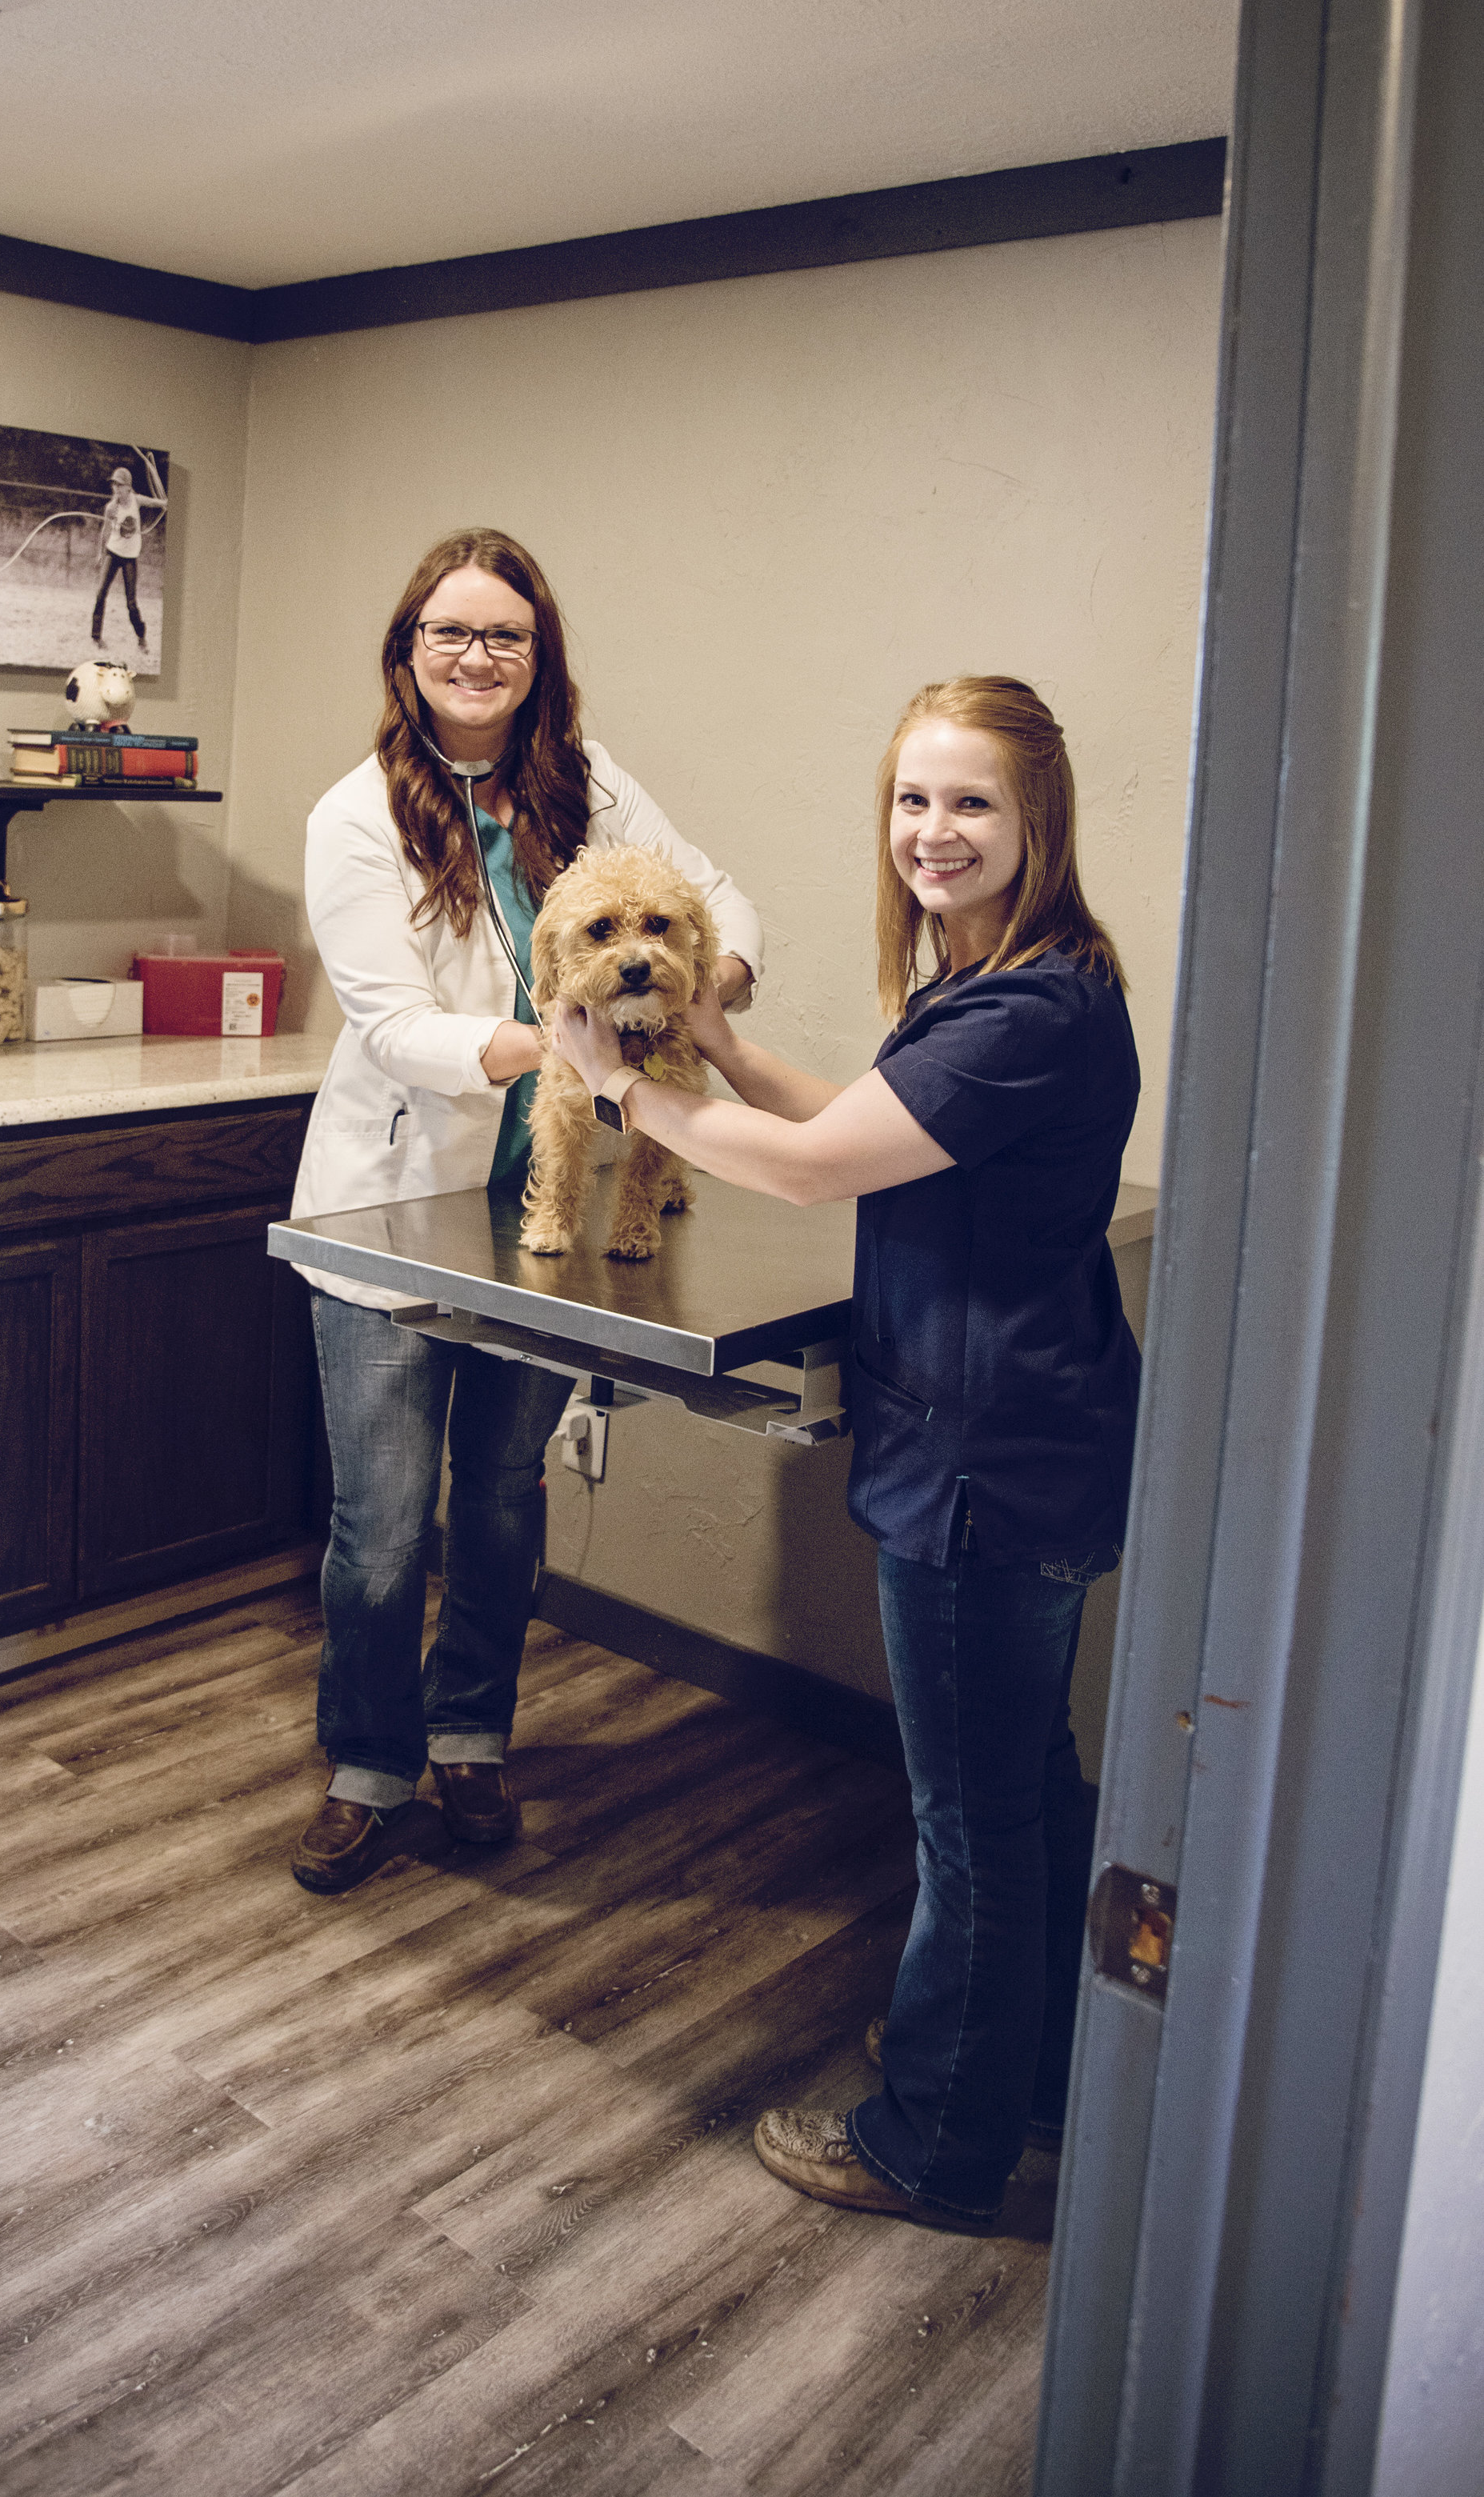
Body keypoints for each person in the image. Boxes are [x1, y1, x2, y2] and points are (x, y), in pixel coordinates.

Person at [550, 675, 1140, 2232]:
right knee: (1026, 1784)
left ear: (1036, 818)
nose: (931, 831)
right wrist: (723, 1049)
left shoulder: (1023, 1009)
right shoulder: (1010, 980)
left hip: (979, 1469)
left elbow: (817, 1173)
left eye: (970, 802)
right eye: (911, 799)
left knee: (970, 1820)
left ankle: (932, 2141)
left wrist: (621, 1085)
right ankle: (1030, 2071)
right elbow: (870, 1129)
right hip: (1033, 1440)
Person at [288, 528, 764, 1895]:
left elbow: (715, 897)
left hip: (539, 1211)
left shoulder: (588, 782)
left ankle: (471, 1740)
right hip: (395, 1205)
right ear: (408, 651)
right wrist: (553, 1045)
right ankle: (368, 1765)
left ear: (538, 655)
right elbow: (390, 1021)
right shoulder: (355, 816)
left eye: (505, 634)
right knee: (384, 1528)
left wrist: (700, 985)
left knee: (502, 1499)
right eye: (450, 631)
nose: (477, 656)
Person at [90, 466, 146, 649]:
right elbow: (105, 531)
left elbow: (155, 503)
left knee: (131, 602)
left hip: (130, 557)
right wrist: (100, 553)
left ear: (128, 487)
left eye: (120, 485)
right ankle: (96, 637)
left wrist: (165, 503)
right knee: (101, 593)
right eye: (114, 485)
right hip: (112, 552)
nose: (116, 488)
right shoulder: (111, 508)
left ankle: (141, 637)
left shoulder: (136, 501)